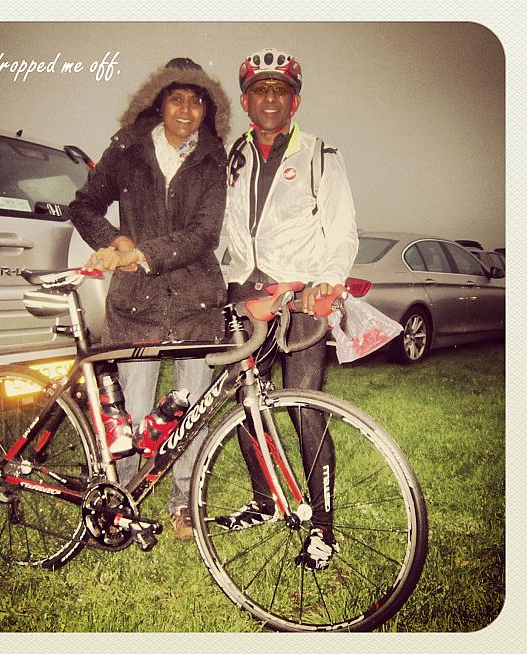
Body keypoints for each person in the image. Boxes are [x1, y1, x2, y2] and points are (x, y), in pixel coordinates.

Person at [69, 57, 230, 540]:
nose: (186, 109)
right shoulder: (127, 148)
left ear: (207, 110)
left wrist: (142, 254)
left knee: (192, 415)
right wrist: (115, 239)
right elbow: (83, 205)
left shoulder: (213, 157)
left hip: (196, 302)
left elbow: (205, 233)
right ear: (158, 103)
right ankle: (126, 499)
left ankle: (184, 502)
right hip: (136, 305)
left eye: (196, 101)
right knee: (135, 415)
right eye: (176, 98)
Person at [219, 48, 358, 569]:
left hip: (300, 299)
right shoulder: (232, 156)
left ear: (294, 102)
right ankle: (264, 502)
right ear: (246, 101)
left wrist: (328, 281)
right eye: (260, 90)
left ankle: (323, 528)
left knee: (304, 409)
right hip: (247, 296)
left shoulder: (320, 154)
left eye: (280, 90)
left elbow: (342, 230)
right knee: (246, 404)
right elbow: (221, 230)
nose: (270, 98)